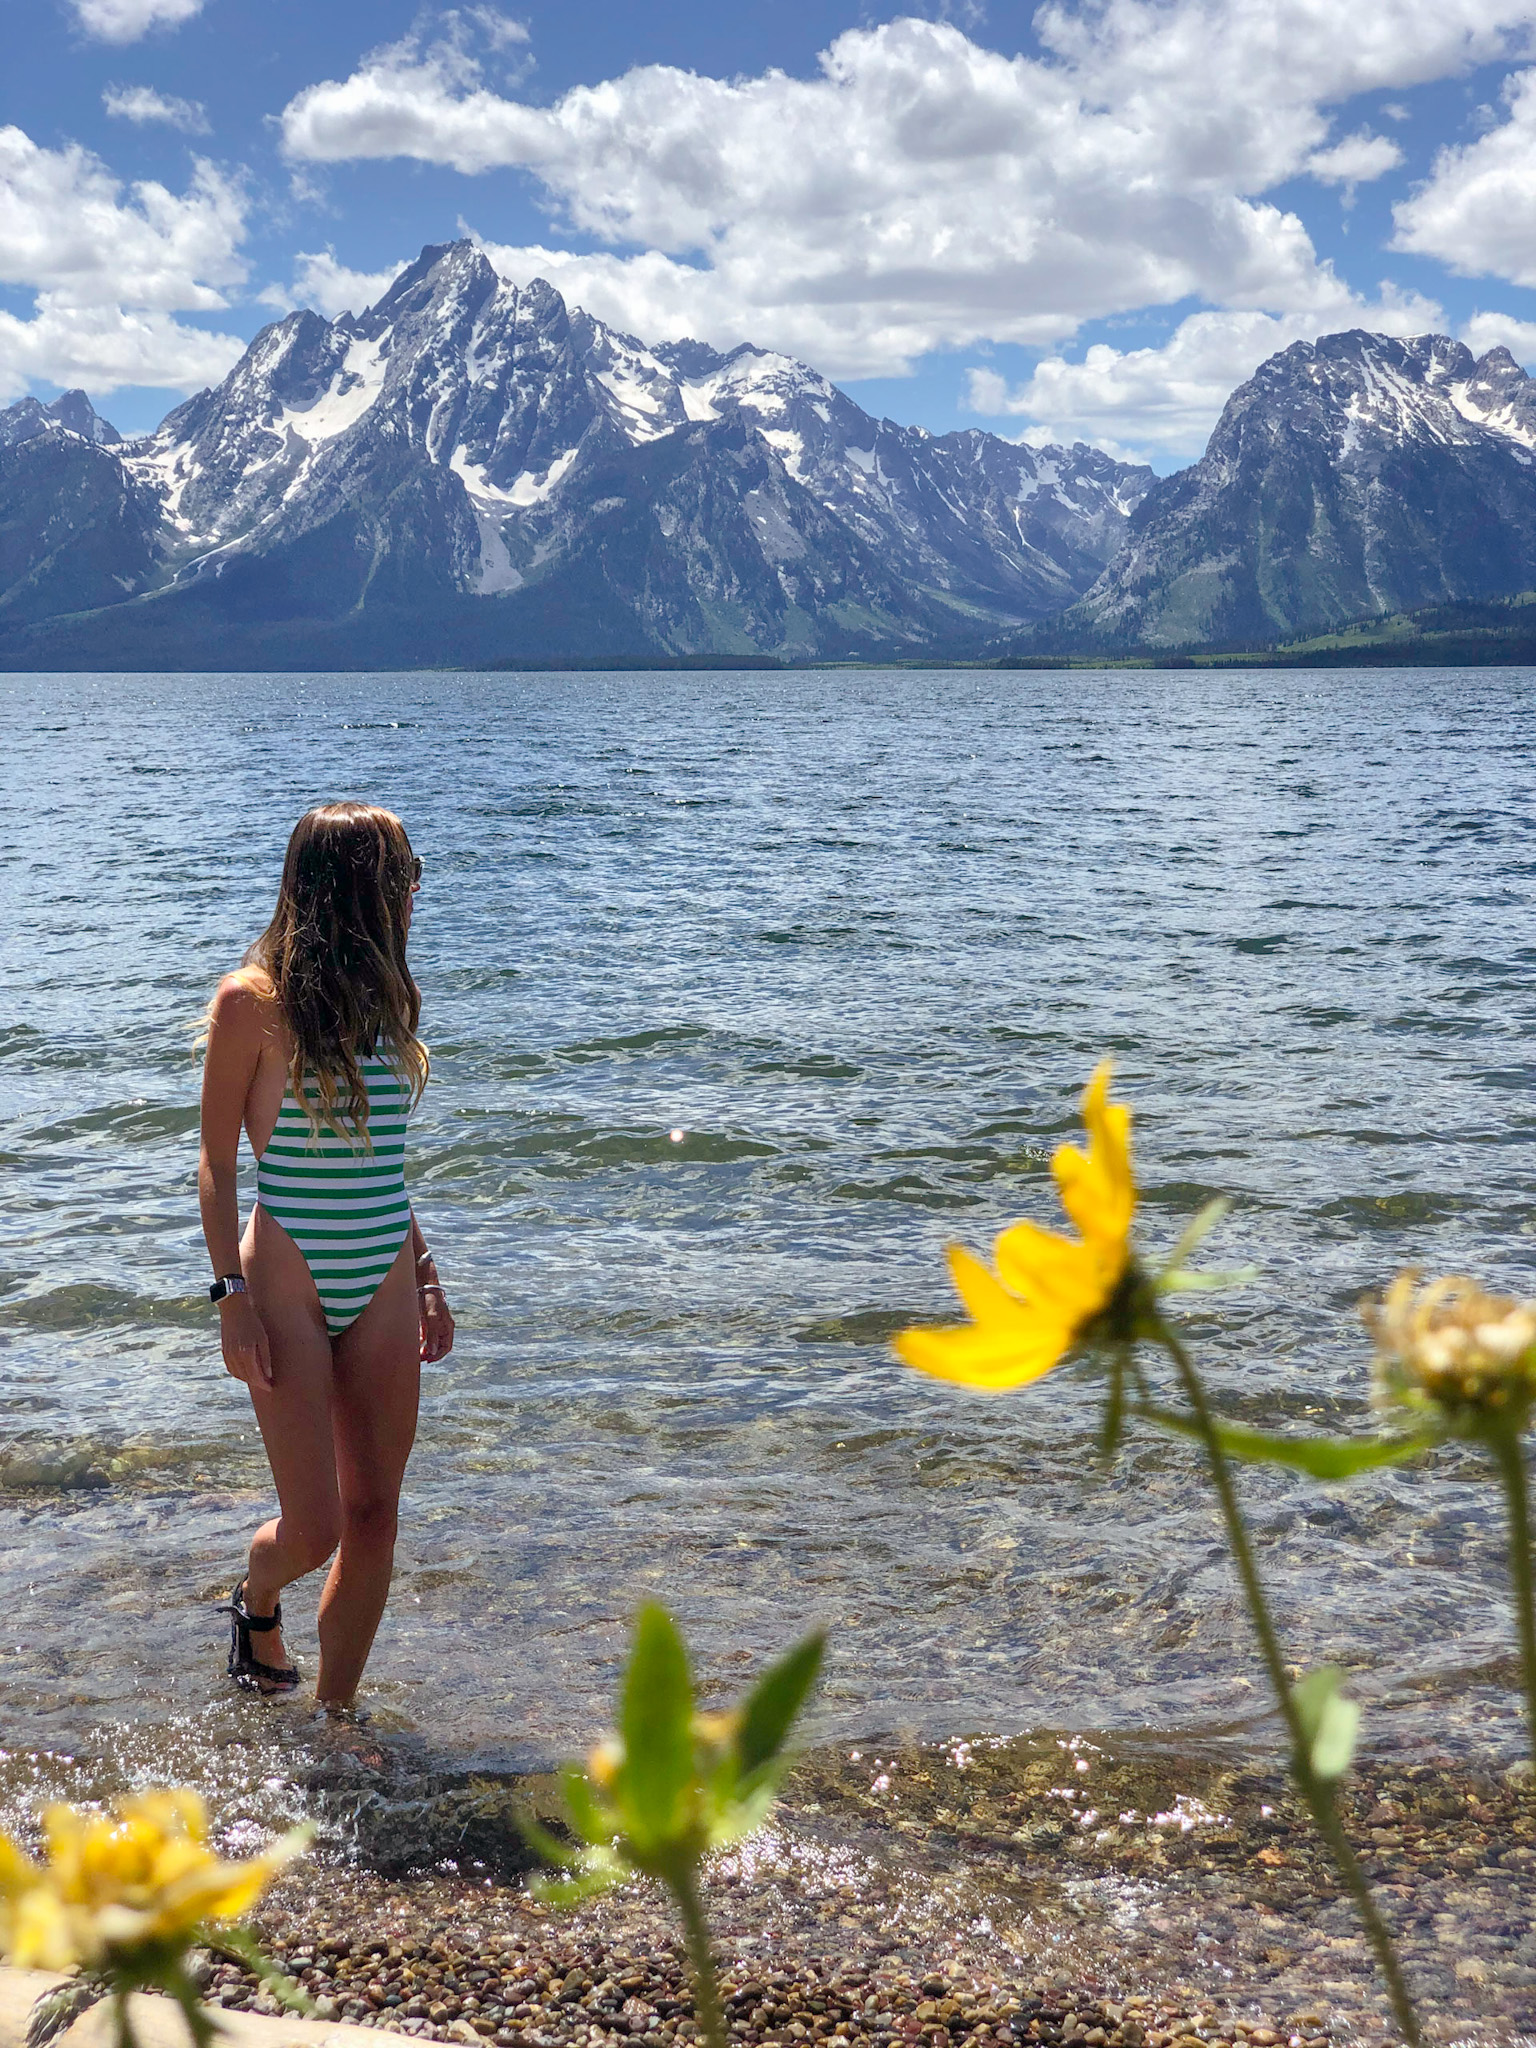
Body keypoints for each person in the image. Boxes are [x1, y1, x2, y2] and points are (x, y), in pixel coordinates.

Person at [197, 802, 454, 1708]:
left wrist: (426, 1277)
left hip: (382, 1268)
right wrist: (230, 1294)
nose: (415, 888)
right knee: (316, 1528)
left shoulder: (387, 1002)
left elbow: (382, 1164)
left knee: (376, 1516)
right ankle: (257, 1596)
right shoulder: (250, 1005)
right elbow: (216, 1166)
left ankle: (336, 1714)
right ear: (354, 888)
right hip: (286, 1280)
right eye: (402, 871)